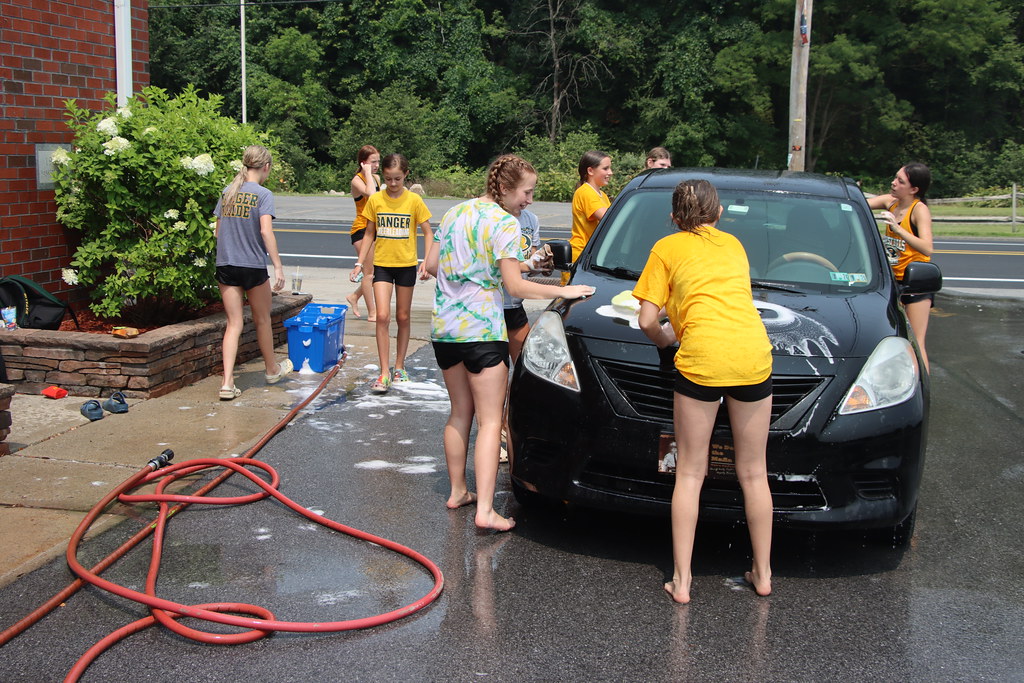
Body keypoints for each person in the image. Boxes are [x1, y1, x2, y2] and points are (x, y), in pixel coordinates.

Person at [424, 154, 594, 531]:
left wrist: (474, 271)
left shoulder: (455, 213)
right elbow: (514, 287)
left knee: (458, 414)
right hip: (483, 329)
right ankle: (485, 510)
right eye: (527, 192)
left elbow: (433, 265)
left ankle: (457, 491)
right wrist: (564, 289)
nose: (529, 200)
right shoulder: (504, 222)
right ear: (504, 188)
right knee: (488, 423)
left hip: (446, 328)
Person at [633, 179, 773, 603]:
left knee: (691, 472)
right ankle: (763, 574)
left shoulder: (667, 247)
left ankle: (682, 581)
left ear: (674, 218)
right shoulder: (734, 245)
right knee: (753, 473)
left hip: (702, 360)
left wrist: (666, 341)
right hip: (752, 355)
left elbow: (645, 320)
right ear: (719, 213)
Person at [213, 144, 293, 400]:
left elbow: (217, 231)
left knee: (233, 324)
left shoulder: (227, 192)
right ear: (265, 167)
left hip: (226, 264)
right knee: (262, 320)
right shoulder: (263, 194)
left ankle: (227, 383)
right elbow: (265, 231)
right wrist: (278, 265)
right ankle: (271, 369)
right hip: (252, 265)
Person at [349, 153, 432, 393]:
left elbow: (428, 232)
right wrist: (359, 262)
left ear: (406, 174)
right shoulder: (376, 200)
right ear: (382, 177)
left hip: (406, 265)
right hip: (382, 265)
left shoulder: (414, 200)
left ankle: (399, 365)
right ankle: (384, 372)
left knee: (403, 317)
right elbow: (368, 233)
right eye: (388, 179)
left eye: (397, 179)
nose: (393, 184)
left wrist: (426, 261)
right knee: (382, 316)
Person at [866, 162, 935, 371]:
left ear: (914, 189)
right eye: (895, 178)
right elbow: (860, 203)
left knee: (915, 341)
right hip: (891, 279)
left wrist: (896, 227)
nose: (893, 183)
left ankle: (923, 388)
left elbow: (927, 248)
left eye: (900, 181)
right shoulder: (891, 202)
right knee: (892, 337)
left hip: (915, 281)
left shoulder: (919, 210)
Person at [345, 145, 380, 321]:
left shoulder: (377, 178)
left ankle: (354, 297)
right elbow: (372, 197)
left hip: (376, 230)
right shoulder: (357, 180)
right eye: (373, 162)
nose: (376, 165)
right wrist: (367, 173)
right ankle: (372, 313)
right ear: (363, 162)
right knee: (369, 273)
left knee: (378, 272)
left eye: (378, 162)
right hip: (361, 229)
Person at [570, 150, 613, 262]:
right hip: (581, 255)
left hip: (593, 254)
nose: (610, 172)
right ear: (590, 170)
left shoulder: (602, 195)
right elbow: (609, 218)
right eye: (605, 168)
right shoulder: (585, 192)